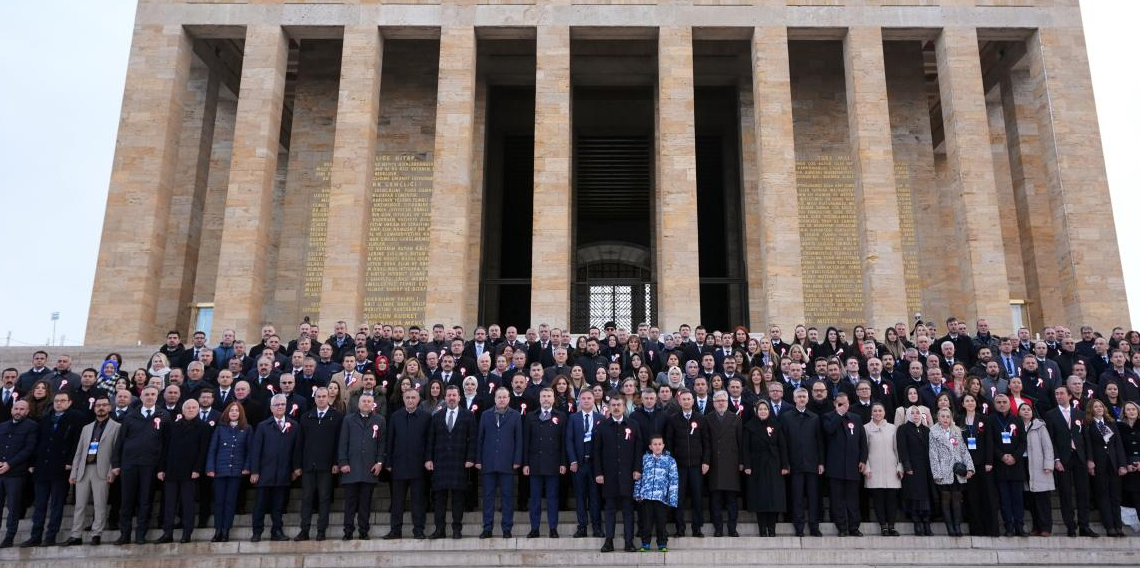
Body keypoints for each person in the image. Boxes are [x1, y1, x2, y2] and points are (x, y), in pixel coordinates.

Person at [22, 392, 84, 548]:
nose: (59, 403)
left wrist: (71, 462)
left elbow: (77, 442)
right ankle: (35, 536)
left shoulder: (76, 417)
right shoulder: (46, 418)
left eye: (63, 401)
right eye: (56, 401)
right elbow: (37, 442)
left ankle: (50, 536)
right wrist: (32, 462)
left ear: (69, 402)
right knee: (40, 504)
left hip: (61, 466)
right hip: (42, 466)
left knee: (56, 505)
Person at [112, 385, 170, 545]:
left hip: (150, 465)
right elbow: (120, 441)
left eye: (153, 394)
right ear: (141, 397)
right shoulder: (130, 416)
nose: (150, 397)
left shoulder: (164, 415)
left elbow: (166, 444)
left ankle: (140, 534)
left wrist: (161, 467)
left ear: (157, 396)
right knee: (126, 500)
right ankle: (124, 534)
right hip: (129, 464)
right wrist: (116, 463)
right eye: (147, 394)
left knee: (146, 500)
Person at [66, 394, 119, 546]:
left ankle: (97, 533)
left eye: (104, 405)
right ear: (94, 408)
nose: (101, 408)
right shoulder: (86, 428)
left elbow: (116, 452)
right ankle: (76, 535)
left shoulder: (116, 427)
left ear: (109, 407)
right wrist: (74, 472)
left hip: (101, 470)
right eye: (98, 405)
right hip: (84, 469)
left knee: (99, 504)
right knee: (80, 505)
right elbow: (79, 452)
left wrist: (111, 472)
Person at [1043, 385, 1095, 537]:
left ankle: (1084, 525)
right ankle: (1070, 525)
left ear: (1069, 396)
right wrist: (1056, 459)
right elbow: (1050, 439)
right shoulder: (1050, 415)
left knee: (1083, 493)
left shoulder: (1080, 414)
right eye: (1056, 394)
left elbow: (1086, 438)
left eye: (1061, 393)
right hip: (1063, 458)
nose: (1058, 396)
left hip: (1080, 457)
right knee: (1065, 494)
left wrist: (1090, 458)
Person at [248, 393, 301, 542]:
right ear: (271, 408)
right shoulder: (263, 426)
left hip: (283, 472)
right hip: (265, 473)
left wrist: (295, 468)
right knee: (260, 505)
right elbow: (256, 450)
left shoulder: (294, 426)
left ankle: (276, 531)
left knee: (278, 506)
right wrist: (255, 471)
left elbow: (296, 450)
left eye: (283, 404)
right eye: (277, 405)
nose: (280, 407)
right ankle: (257, 532)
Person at [156, 399, 210, 543]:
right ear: (183, 410)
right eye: (188, 407)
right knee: (169, 504)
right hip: (172, 470)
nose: (191, 410)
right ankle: (167, 533)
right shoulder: (173, 426)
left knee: (188, 504)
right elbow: (165, 448)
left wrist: (197, 469)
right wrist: (161, 468)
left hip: (190, 472)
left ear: (198, 410)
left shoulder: (203, 427)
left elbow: (203, 451)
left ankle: (187, 533)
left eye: (193, 407)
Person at [593, 396, 642, 553]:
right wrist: (599, 472)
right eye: (613, 405)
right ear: (609, 407)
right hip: (609, 475)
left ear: (623, 407)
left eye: (618, 405)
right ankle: (609, 541)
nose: (616, 407)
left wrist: (637, 469)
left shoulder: (633, 425)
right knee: (610, 509)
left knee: (628, 509)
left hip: (628, 474)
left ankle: (629, 541)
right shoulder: (602, 426)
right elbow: (597, 452)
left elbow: (638, 450)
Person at [426, 385, 476, 539]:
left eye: (454, 395)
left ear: (459, 397)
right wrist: (428, 459)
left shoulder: (468, 416)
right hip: (440, 463)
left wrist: (470, 458)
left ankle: (456, 529)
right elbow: (430, 440)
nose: (452, 398)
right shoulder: (437, 416)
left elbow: (473, 440)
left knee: (458, 498)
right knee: (439, 499)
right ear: (445, 398)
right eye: (449, 395)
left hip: (459, 463)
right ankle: (439, 529)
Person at [294, 387, 343, 541]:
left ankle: (321, 530)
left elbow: (339, 442)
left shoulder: (337, 417)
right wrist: (297, 465)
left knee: (324, 499)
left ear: (329, 397)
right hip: (308, 465)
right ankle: (304, 530)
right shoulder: (306, 417)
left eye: (324, 396)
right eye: (318, 396)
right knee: (307, 498)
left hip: (327, 466)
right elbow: (299, 443)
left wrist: (336, 462)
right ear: (314, 398)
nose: (321, 399)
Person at [338, 392, 386, 541]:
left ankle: (363, 531)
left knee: (365, 503)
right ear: (358, 404)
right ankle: (348, 531)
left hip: (369, 468)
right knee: (350, 503)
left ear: (373, 404)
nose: (366, 403)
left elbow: (381, 443)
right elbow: (343, 442)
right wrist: (343, 462)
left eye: (369, 401)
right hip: (351, 467)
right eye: (363, 401)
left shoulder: (380, 420)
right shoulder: (348, 420)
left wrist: (379, 463)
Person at [384, 389, 432, 539]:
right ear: (403, 399)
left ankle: (418, 529)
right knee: (397, 501)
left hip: (418, 465)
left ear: (418, 400)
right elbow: (390, 440)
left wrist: (428, 459)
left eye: (413, 398)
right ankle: (395, 530)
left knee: (418, 501)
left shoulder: (426, 417)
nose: (410, 400)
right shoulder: (395, 416)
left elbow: (429, 441)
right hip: (398, 465)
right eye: (407, 398)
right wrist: (388, 461)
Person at [476, 387, 523, 539]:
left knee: (507, 497)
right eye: (499, 397)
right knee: (488, 497)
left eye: (504, 397)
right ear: (495, 399)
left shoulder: (515, 416)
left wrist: (517, 460)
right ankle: (487, 528)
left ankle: (507, 528)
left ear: (509, 399)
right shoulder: (485, 415)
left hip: (507, 463)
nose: (502, 400)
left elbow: (519, 440)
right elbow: (480, 439)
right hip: (488, 462)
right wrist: (478, 459)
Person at [662, 389, 709, 538]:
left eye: (689, 399)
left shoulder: (701, 419)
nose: (686, 401)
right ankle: (679, 528)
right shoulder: (673, 419)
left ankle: (697, 528)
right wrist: (671, 463)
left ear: (693, 401)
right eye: (684, 399)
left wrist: (706, 461)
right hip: (679, 466)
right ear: (679, 401)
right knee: (679, 498)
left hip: (696, 464)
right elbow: (668, 442)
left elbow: (707, 443)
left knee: (697, 497)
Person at [522, 388, 567, 538]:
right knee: (534, 499)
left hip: (554, 463)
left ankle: (553, 528)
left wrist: (563, 463)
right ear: (539, 399)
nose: (546, 399)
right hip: (534, 463)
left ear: (553, 399)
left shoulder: (561, 416)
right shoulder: (530, 416)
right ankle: (534, 528)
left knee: (552, 498)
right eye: (543, 396)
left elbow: (563, 442)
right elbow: (526, 442)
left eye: (549, 396)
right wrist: (526, 463)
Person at [822, 392, 868, 537]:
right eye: (839, 404)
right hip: (835, 467)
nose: (843, 406)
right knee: (837, 500)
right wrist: (839, 414)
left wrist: (863, 459)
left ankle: (854, 527)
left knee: (853, 499)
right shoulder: (828, 417)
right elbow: (829, 430)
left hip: (853, 466)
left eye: (845, 404)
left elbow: (862, 442)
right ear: (835, 404)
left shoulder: (856, 418)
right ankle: (842, 527)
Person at [780, 387, 824, 537]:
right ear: (794, 399)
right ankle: (798, 526)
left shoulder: (814, 417)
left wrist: (821, 462)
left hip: (812, 464)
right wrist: (785, 463)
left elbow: (819, 442)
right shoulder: (786, 417)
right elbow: (783, 443)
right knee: (797, 497)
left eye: (804, 397)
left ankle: (814, 526)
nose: (802, 399)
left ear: (808, 398)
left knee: (813, 496)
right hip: (795, 464)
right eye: (799, 397)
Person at [205, 402, 250, 542]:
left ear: (241, 413)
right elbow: (212, 449)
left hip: (236, 471)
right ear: (227, 413)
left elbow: (249, 451)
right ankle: (217, 530)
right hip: (219, 471)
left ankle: (226, 531)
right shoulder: (220, 429)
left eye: (237, 411)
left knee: (230, 502)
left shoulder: (247, 429)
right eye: (232, 410)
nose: (234, 413)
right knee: (219, 502)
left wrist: (247, 466)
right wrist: (210, 468)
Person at [742, 400, 788, 537]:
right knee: (760, 498)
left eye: (765, 409)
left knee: (774, 498)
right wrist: (747, 465)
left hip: (774, 465)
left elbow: (783, 447)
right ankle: (763, 529)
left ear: (769, 411)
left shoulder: (776, 425)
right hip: (757, 466)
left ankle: (772, 528)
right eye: (760, 409)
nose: (763, 411)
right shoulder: (749, 426)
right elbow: (745, 448)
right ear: (756, 411)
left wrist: (785, 465)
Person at [1084, 398, 1128, 537]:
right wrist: (1090, 460)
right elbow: (1088, 444)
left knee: (1115, 496)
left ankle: (1118, 526)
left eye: (1101, 406)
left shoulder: (1111, 423)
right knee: (1103, 495)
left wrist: (1122, 464)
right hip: (1099, 463)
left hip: (1113, 463)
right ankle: (1110, 527)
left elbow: (1118, 445)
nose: (1099, 409)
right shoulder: (1089, 425)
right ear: (1091, 409)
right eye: (1096, 407)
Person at [958, 393, 999, 536]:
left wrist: (989, 461)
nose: (970, 403)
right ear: (962, 404)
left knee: (987, 496)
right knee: (972, 497)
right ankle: (977, 529)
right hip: (967, 465)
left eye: (972, 401)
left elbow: (989, 441)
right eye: (967, 401)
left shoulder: (984, 419)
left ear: (976, 403)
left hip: (983, 463)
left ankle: (991, 529)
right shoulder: (959, 420)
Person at [929, 408, 975, 537]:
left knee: (956, 499)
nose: (945, 419)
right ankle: (950, 528)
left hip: (957, 471)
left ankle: (957, 527)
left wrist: (969, 468)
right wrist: (936, 473)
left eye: (947, 417)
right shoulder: (933, 432)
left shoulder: (956, 431)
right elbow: (933, 454)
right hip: (943, 471)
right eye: (942, 416)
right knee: (945, 499)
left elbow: (964, 450)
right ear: (938, 418)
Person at [566, 389, 604, 538]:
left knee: (595, 497)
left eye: (589, 398)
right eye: (584, 398)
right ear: (579, 401)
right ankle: (582, 526)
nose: (587, 401)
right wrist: (573, 460)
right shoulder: (573, 418)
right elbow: (568, 440)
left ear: (594, 400)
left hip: (595, 465)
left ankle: (596, 527)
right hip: (579, 464)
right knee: (580, 497)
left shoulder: (600, 418)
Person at [987, 394, 1027, 536]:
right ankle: (1008, 527)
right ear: (994, 404)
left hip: (1016, 465)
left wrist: (1015, 457)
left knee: (1018, 498)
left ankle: (1019, 526)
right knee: (1004, 499)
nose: (1002, 404)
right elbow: (990, 442)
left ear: (1009, 404)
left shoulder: (1017, 420)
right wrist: (1002, 456)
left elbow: (1023, 441)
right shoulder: (990, 420)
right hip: (1000, 464)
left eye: (1004, 402)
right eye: (999, 402)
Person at [0, 400, 37, 548]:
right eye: (16, 408)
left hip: (16, 473)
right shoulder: (2, 426)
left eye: (22, 409)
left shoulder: (32, 427)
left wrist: (9, 464)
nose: (18, 411)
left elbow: (29, 449)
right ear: (11, 410)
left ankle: (9, 537)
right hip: (0, 472)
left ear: (27, 412)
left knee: (13, 507)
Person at [705, 390, 743, 537]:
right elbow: (706, 443)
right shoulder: (707, 419)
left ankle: (732, 528)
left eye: (723, 401)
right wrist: (706, 462)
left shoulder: (736, 418)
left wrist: (741, 462)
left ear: (727, 402)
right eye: (718, 401)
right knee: (715, 500)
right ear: (713, 403)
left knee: (732, 500)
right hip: (714, 464)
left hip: (731, 464)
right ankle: (718, 528)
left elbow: (740, 442)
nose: (721, 403)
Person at [863, 402, 902, 536]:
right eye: (875, 411)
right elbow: (864, 450)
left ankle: (891, 525)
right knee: (878, 499)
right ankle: (883, 526)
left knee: (891, 499)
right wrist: (866, 467)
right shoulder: (866, 428)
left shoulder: (892, 428)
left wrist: (899, 466)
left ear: (884, 412)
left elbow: (897, 449)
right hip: (874, 468)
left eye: (880, 410)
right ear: (871, 413)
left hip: (891, 468)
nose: (878, 413)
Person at [634, 435, 678, 551]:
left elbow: (674, 481)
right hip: (646, 496)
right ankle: (645, 543)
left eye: (659, 444)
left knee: (661, 522)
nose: (657, 447)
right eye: (655, 444)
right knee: (646, 521)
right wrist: (637, 493)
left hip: (661, 498)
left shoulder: (670, 461)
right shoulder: (644, 459)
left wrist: (672, 498)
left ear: (663, 446)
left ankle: (662, 543)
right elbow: (639, 477)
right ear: (650, 446)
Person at [1018, 403, 1054, 536]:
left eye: (1029, 409)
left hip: (1038, 465)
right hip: (1023, 463)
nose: (1026, 411)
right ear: (1019, 412)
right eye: (1023, 409)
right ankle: (1036, 526)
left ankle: (1045, 527)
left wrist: (1048, 464)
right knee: (1030, 499)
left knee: (1042, 498)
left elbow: (1047, 446)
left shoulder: (1039, 426)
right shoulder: (1016, 426)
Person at [897, 405, 933, 536]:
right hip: (912, 468)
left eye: (918, 413)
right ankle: (917, 523)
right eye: (912, 413)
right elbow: (902, 448)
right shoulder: (903, 429)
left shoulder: (926, 430)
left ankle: (926, 523)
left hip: (925, 468)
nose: (915, 415)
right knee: (914, 495)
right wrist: (907, 466)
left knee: (925, 496)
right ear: (908, 415)